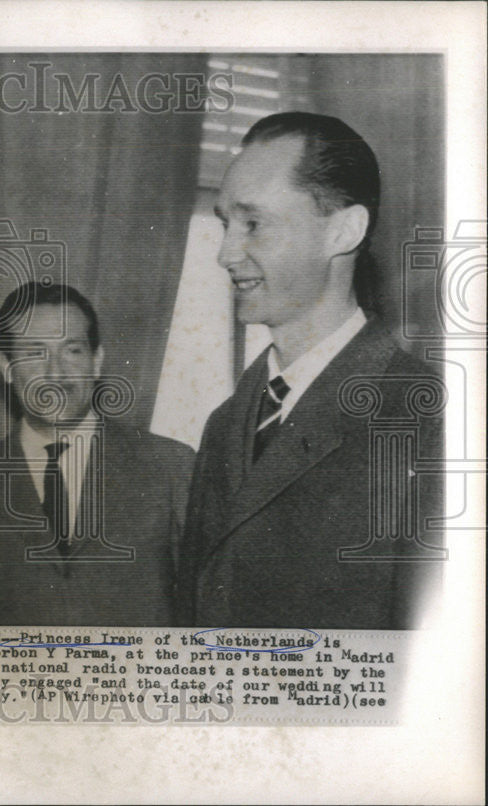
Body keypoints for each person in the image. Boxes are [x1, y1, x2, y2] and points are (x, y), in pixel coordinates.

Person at [177, 112, 443, 630]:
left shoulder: (429, 420)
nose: (226, 253)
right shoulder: (225, 424)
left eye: (253, 224)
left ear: (343, 231)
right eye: (225, 224)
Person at [0, 282, 194, 625]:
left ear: (97, 362)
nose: (55, 373)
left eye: (72, 351)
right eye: (35, 352)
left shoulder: (172, 469)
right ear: (6, 366)